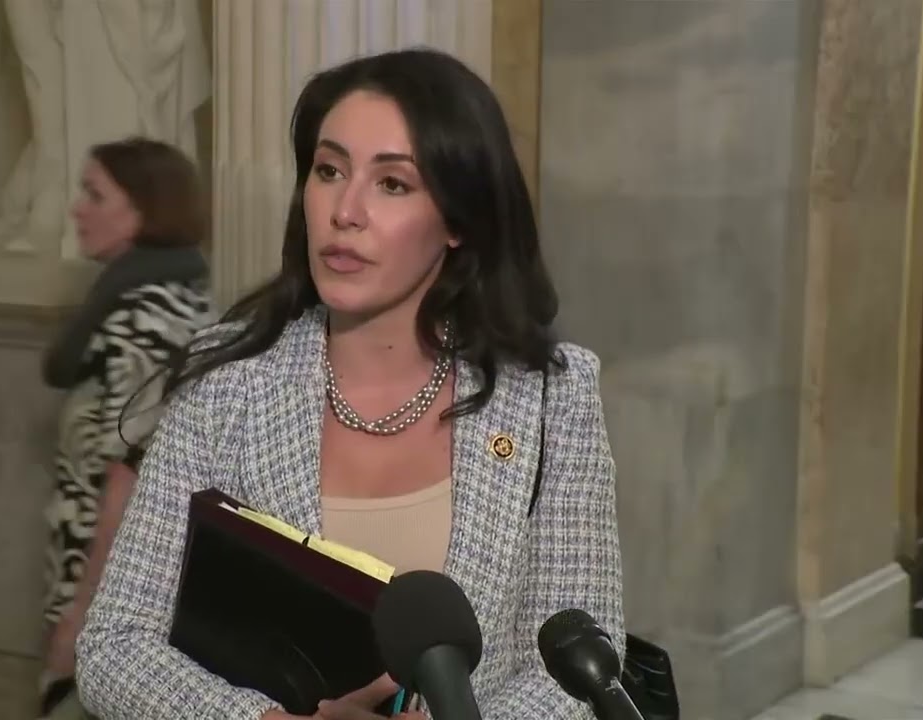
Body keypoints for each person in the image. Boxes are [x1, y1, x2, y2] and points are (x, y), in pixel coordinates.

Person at [76, 48, 625, 720]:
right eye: (329, 171)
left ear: (458, 219)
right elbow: (113, 646)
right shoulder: (227, 385)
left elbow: (574, 672)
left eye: (392, 183)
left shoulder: (551, 398)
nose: (346, 210)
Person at [39, 137, 215, 717]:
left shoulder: (149, 316)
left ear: (145, 208)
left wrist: (82, 616)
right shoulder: (142, 300)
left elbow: (133, 478)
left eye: (95, 195)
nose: (77, 209)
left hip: (120, 607)